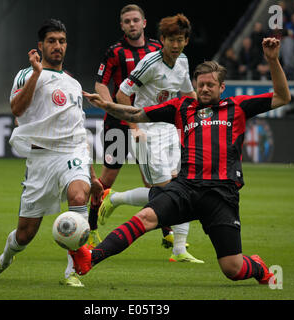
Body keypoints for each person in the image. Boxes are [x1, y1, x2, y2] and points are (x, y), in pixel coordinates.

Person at [73, 37, 291, 285]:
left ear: (222, 87)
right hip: (185, 188)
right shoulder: (182, 107)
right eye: (201, 85)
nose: (206, 89)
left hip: (221, 194)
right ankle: (91, 258)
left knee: (233, 269)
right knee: (144, 218)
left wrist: (272, 60)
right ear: (195, 86)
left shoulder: (238, 107)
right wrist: (107, 105)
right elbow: (136, 113)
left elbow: (283, 97)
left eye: (211, 85)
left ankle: (259, 269)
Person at [0, 19, 103, 288]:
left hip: (72, 152)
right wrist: (36, 73)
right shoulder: (26, 74)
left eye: (62, 41)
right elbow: (17, 109)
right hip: (41, 159)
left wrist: (92, 174)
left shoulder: (72, 82)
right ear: (41, 46)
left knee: (78, 195)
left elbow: (79, 129)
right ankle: (3, 260)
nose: (58, 46)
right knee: (25, 234)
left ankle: (73, 271)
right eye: (52, 41)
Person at [99, 13, 203, 263]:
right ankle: (116, 199)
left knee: (182, 187)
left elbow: (188, 93)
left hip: (171, 131)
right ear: (163, 40)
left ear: (186, 41)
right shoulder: (149, 62)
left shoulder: (184, 61)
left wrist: (201, 118)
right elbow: (123, 94)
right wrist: (134, 128)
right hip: (147, 134)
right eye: (171, 40)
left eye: (180, 40)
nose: (175, 45)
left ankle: (179, 250)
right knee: (166, 192)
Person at [88, 4, 164, 248]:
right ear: (122, 26)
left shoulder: (157, 50)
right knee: (106, 180)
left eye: (135, 20)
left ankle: (169, 235)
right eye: (127, 21)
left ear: (143, 23)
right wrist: (112, 107)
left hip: (148, 124)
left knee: (154, 182)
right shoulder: (114, 52)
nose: (132, 24)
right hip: (117, 125)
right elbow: (101, 84)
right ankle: (90, 229)